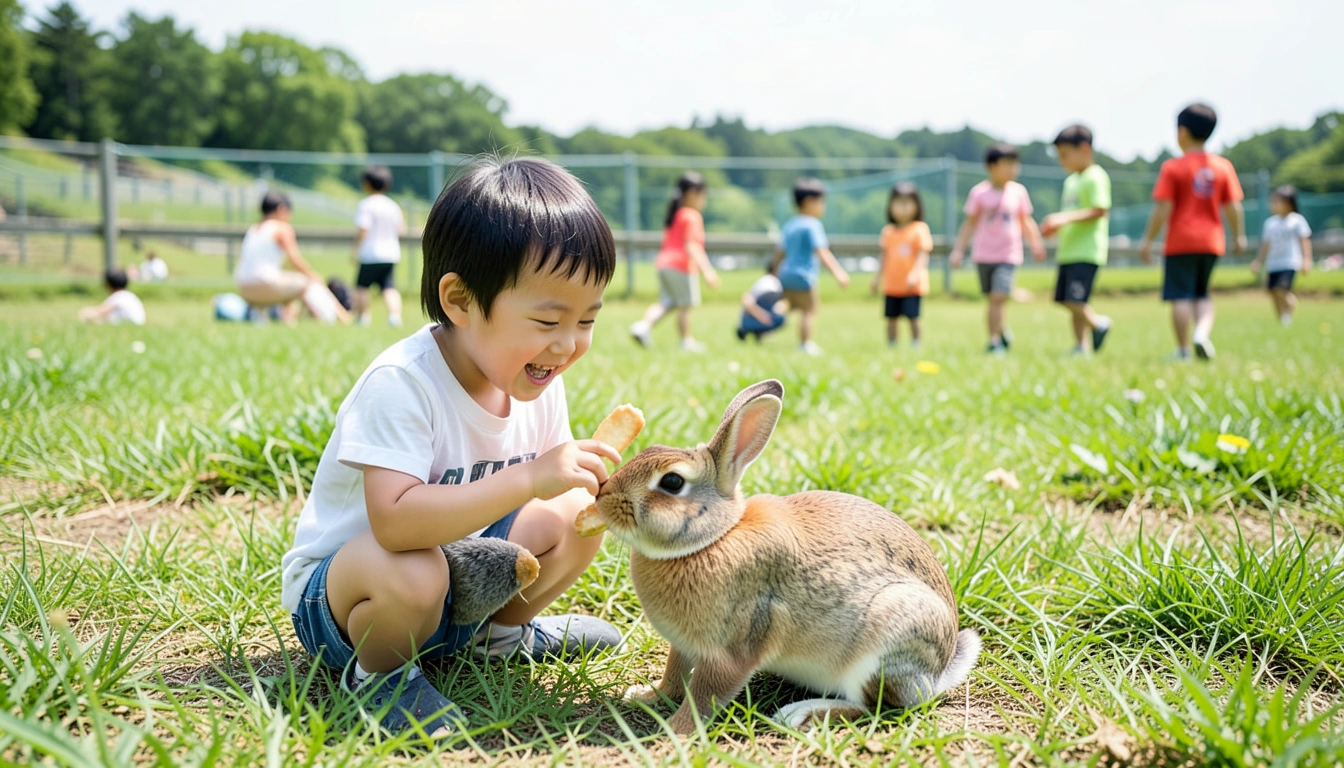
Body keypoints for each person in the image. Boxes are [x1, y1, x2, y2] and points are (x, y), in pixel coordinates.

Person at [280, 157, 624, 740]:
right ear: (460, 300)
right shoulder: (403, 383)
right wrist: (529, 478)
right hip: (351, 598)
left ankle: (497, 635)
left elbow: (551, 491)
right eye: (547, 320)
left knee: (574, 518)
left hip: (463, 579)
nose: (567, 345)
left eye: (587, 321)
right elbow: (393, 524)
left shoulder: (539, 379)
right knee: (412, 571)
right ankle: (379, 676)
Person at [1139, 103, 1246, 361]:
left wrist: (1148, 240)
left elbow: (1163, 207)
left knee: (1180, 296)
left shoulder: (1174, 167)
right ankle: (1201, 333)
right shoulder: (1223, 166)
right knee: (1202, 293)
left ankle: (1184, 349)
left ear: (1182, 132)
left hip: (1180, 242)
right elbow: (1233, 207)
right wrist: (1238, 236)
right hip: (1211, 242)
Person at [950, 143, 1046, 354]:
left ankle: (994, 342)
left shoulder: (1018, 193)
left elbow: (1026, 221)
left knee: (998, 297)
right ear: (992, 166)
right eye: (1008, 164)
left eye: (1015, 164)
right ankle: (1001, 331)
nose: (1014, 169)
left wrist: (1036, 244)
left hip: (1008, 255)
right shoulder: (979, 193)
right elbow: (969, 224)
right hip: (984, 255)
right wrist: (958, 250)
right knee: (992, 299)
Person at [1040, 125, 1114, 356]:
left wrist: (1062, 219)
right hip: (1069, 251)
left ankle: (1099, 324)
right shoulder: (1071, 181)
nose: (1062, 161)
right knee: (1067, 300)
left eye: (1065, 155)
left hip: (1087, 251)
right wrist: (1058, 228)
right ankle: (1081, 346)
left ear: (1084, 148)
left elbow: (1100, 210)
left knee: (1075, 299)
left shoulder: (1096, 177)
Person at [629, 171, 719, 351]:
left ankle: (643, 326)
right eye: (703, 196)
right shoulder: (692, 216)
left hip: (664, 264)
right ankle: (686, 341)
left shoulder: (675, 214)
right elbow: (692, 245)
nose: (704, 201)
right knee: (685, 305)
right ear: (693, 194)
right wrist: (707, 271)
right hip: (681, 266)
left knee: (667, 302)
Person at [235, 191, 350, 325]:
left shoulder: (253, 229)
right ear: (281, 209)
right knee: (308, 283)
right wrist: (312, 275)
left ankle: (279, 317)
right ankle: (330, 319)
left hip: (244, 287)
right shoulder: (282, 228)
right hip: (264, 284)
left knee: (291, 285)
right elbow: (294, 259)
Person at [771, 177, 851, 355]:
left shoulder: (790, 225)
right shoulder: (812, 225)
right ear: (809, 202)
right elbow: (822, 252)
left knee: (787, 306)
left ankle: (764, 323)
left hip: (786, 274)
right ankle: (805, 344)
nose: (824, 206)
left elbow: (779, 252)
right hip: (804, 276)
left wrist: (774, 272)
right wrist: (838, 273)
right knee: (809, 310)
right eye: (821, 202)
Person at [871, 182, 932, 349]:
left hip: (912, 285)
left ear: (916, 205)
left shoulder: (919, 229)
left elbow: (923, 254)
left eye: (907, 203)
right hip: (892, 284)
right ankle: (892, 345)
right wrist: (877, 278)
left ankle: (916, 343)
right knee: (891, 318)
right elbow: (883, 257)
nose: (902, 208)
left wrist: (915, 273)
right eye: (898, 203)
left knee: (913, 317)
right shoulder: (888, 232)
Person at [352, 166, 408, 328]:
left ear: (366, 184)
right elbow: (401, 229)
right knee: (389, 287)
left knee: (362, 286)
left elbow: (364, 228)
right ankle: (394, 317)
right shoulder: (392, 205)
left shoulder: (366, 204)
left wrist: (355, 249)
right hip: (390, 253)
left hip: (370, 253)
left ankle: (362, 318)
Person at [1249, 185, 1312, 326]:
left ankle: (1288, 312)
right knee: (1273, 292)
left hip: (1289, 262)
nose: (1273, 205)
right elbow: (1265, 245)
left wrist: (1306, 260)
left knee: (1281, 289)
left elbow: (1304, 241)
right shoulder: (1270, 223)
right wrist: (1258, 261)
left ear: (1289, 204)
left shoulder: (1297, 221)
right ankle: (1282, 320)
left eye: (1277, 202)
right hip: (1273, 264)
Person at [737, 263, 787, 342]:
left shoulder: (765, 281)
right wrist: (762, 316)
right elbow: (746, 300)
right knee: (780, 319)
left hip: (751, 316)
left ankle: (758, 332)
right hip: (750, 318)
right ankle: (748, 329)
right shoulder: (771, 282)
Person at [78, 268, 145, 326]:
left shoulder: (118, 296)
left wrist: (84, 313)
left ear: (108, 285)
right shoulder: (129, 296)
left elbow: (100, 312)